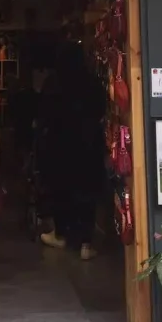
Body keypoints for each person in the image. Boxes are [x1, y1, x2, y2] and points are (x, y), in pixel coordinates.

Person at [38, 42, 106, 260]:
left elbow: (44, 114)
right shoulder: (92, 82)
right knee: (86, 193)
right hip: (87, 145)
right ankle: (86, 243)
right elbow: (101, 109)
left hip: (59, 146)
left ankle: (62, 235)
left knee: (61, 191)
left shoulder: (54, 83)